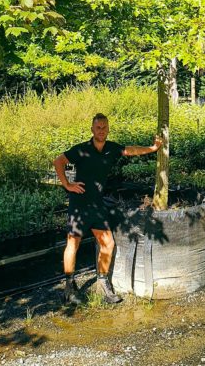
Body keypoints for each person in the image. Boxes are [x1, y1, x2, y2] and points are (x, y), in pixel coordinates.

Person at [53, 113, 162, 305]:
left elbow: (131, 150)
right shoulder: (82, 150)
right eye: (98, 127)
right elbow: (58, 161)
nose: (101, 130)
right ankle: (69, 288)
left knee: (108, 243)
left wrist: (153, 148)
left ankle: (103, 283)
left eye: (104, 127)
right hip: (79, 206)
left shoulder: (111, 148)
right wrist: (67, 185)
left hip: (97, 205)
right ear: (92, 129)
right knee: (73, 244)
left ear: (108, 129)